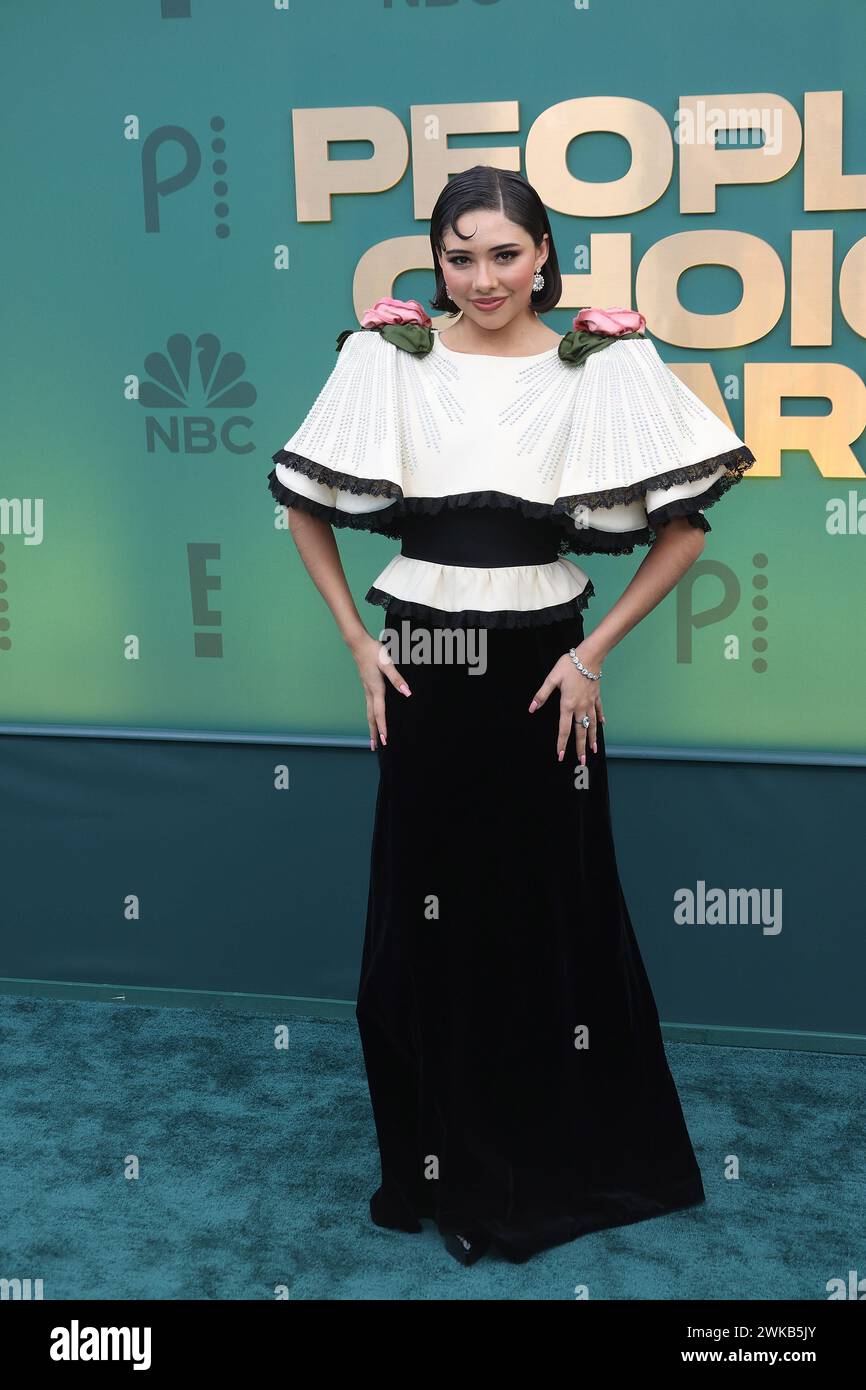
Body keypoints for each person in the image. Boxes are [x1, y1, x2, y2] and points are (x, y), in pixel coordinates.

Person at [267, 165, 755, 1266]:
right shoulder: (387, 357)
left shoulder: (604, 361)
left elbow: (681, 529)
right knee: (421, 917)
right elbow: (303, 501)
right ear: (433, 261)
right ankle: (436, 1167)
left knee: (543, 912)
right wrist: (357, 643)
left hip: (543, 664)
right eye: (457, 254)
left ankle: (532, 1169)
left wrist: (589, 655)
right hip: (424, 661)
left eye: (502, 252)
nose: (480, 276)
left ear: (543, 253)